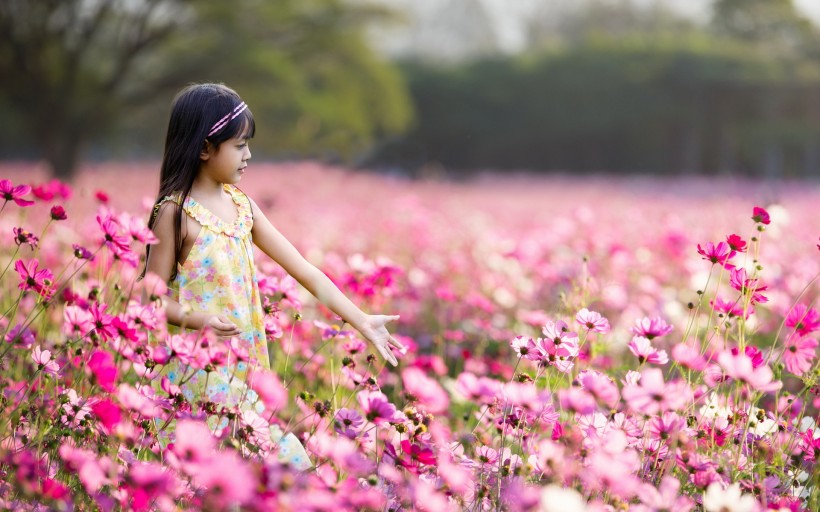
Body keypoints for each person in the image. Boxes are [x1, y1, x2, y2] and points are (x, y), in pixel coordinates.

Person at [142, 83, 404, 469]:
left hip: (244, 370)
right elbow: (150, 297)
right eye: (239, 145)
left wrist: (362, 320)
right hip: (195, 375)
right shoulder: (175, 213)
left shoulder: (241, 206)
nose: (248, 155)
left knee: (261, 476)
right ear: (204, 148)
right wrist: (198, 320)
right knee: (263, 470)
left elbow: (306, 272)